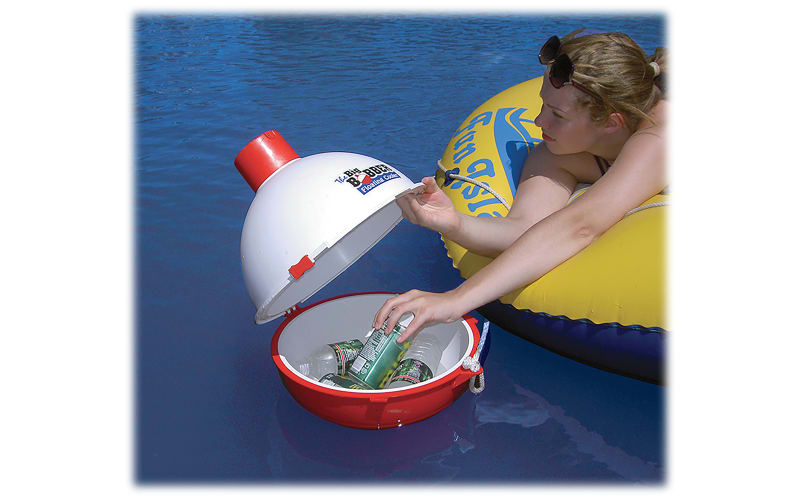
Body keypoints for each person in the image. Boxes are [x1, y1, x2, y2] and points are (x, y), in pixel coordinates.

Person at [374, 30, 668, 343]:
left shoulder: (662, 138)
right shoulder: (557, 154)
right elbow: (525, 231)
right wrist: (455, 224)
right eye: (543, 105)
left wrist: (455, 300)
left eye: (557, 114)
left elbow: (581, 226)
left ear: (612, 123)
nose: (539, 121)